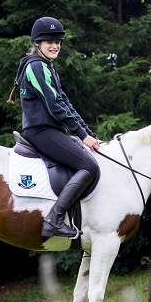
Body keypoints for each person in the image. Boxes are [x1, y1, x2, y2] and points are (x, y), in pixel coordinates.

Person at [8, 17, 101, 238]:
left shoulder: (47, 67)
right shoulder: (36, 66)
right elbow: (54, 105)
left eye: (58, 41)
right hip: (41, 131)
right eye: (49, 41)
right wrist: (81, 135)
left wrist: (88, 134)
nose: (55, 45)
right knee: (89, 166)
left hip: (49, 130)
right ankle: (54, 219)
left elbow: (66, 103)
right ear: (37, 43)